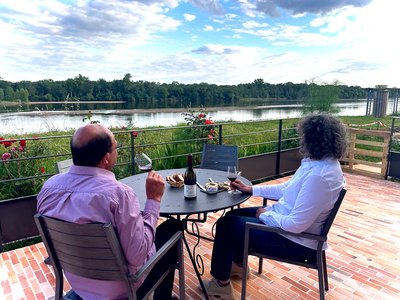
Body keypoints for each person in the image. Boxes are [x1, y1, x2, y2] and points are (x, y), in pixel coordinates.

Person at [205, 113, 347, 299]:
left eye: (303, 136)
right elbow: (287, 189)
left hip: (295, 242)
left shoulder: (319, 177)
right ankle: (238, 266)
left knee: (226, 226)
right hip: (288, 227)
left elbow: (296, 225)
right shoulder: (318, 165)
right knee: (232, 217)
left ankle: (220, 286)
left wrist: (263, 214)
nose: (301, 140)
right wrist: (250, 189)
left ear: (312, 140)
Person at [37, 124, 180, 300]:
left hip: (79, 283)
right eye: (115, 147)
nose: (116, 151)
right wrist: (153, 200)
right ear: (106, 158)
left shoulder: (48, 188)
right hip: (124, 289)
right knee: (173, 228)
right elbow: (137, 257)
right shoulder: (120, 195)